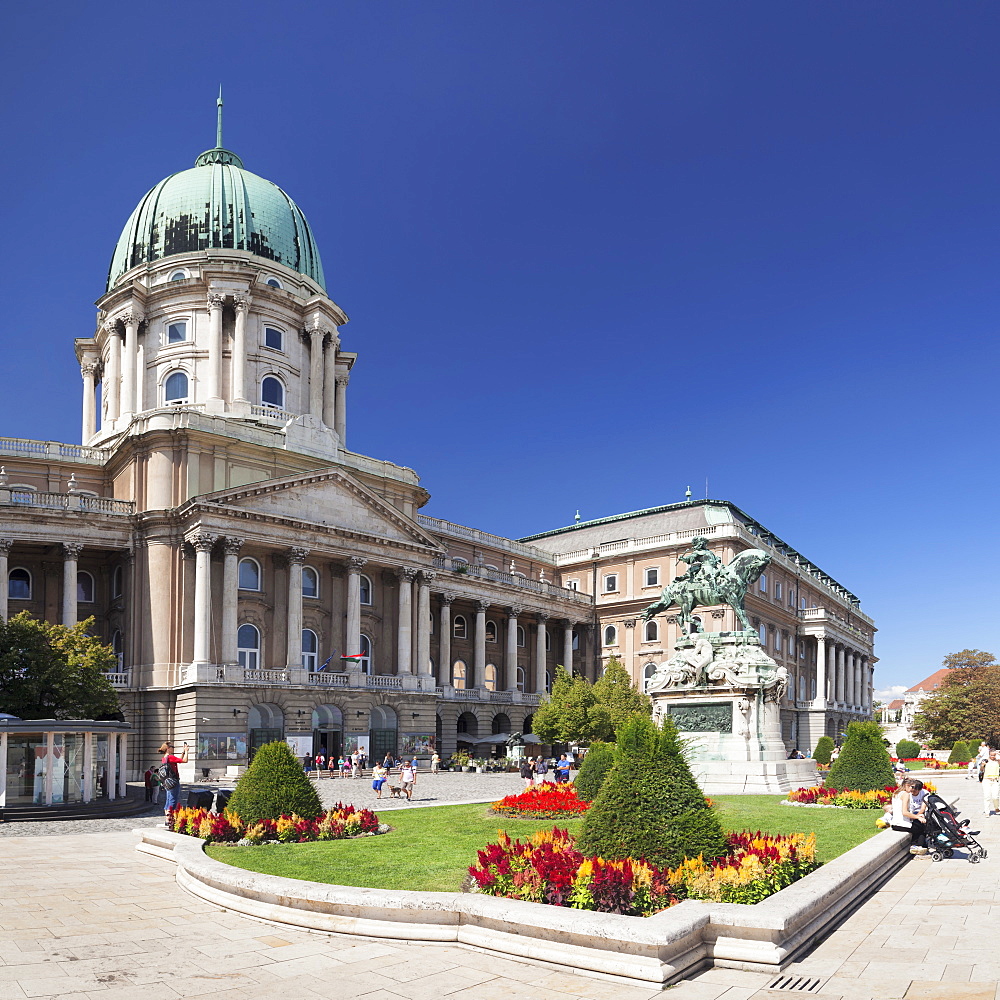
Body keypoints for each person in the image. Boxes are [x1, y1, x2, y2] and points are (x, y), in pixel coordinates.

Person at [890, 778, 927, 855]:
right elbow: (905, 812)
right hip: (901, 824)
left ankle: (918, 846)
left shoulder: (896, 793)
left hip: (895, 823)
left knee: (918, 824)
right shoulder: (905, 794)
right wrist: (918, 817)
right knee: (923, 826)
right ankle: (917, 847)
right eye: (912, 787)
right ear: (907, 785)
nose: (912, 789)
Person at [157, 741, 188, 825]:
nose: (173, 748)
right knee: (173, 800)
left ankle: (167, 819)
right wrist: (187, 751)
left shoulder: (165, 758)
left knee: (168, 799)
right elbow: (185, 760)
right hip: (173, 781)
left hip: (167, 782)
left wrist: (183, 752)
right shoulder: (170, 757)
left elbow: (178, 760)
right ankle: (170, 819)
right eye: (172, 747)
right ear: (168, 748)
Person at [983, 750, 1000, 816]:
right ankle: (987, 811)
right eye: (991, 755)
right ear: (989, 754)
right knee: (987, 796)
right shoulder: (986, 761)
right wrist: (983, 765)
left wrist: (998, 754)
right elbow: (981, 769)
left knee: (995, 796)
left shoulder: (998, 761)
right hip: (987, 780)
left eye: (994, 755)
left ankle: (996, 807)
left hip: (995, 781)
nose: (992, 756)